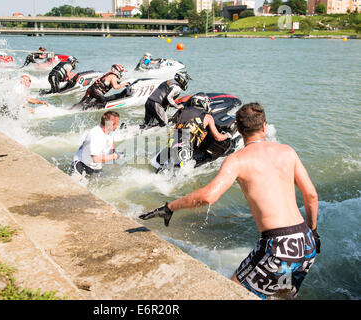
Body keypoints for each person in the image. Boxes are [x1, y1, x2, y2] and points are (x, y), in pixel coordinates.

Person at [140, 103, 320, 299]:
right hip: (306, 242)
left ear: (239, 130)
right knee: (282, 295)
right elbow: (311, 195)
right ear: (264, 126)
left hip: (278, 246)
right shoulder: (287, 152)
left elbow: (208, 196)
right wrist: (313, 232)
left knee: (233, 293)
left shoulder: (237, 160)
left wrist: (170, 207)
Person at [71, 111, 123, 177]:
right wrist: (114, 156)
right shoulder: (95, 135)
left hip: (96, 167)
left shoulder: (109, 130)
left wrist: (113, 152)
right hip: (81, 164)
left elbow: (111, 141)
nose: (118, 125)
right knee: (76, 184)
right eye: (117, 123)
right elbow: (96, 159)